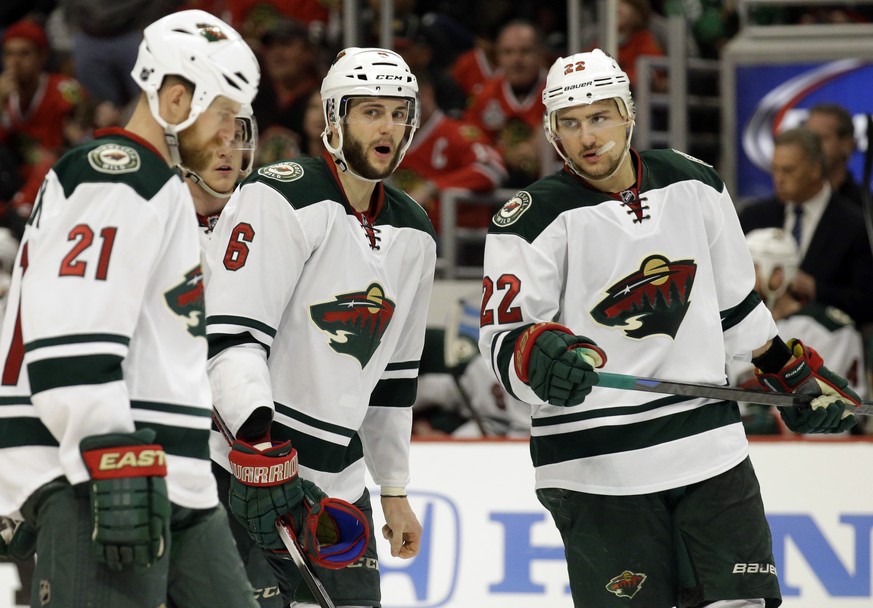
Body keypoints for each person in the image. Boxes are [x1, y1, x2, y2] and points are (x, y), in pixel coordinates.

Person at [478, 48, 861, 608]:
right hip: (597, 469)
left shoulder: (697, 184)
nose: (588, 136)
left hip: (709, 449)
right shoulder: (532, 217)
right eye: (572, 122)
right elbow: (504, 343)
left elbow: (738, 311)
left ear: (628, 114)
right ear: (552, 130)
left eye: (601, 116)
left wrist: (796, 378)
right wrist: (536, 356)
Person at [0, 9, 264, 607]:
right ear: (176, 98)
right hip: (107, 475)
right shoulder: (117, 177)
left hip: (175, 478)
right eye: (224, 115)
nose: (231, 134)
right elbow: (69, 339)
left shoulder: (157, 185)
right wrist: (109, 456)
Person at [204, 46, 436, 607]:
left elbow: (393, 380)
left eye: (399, 112)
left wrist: (395, 490)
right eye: (371, 110)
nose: (388, 125)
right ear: (335, 119)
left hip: (339, 483)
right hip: (247, 474)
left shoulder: (415, 230)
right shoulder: (281, 194)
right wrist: (260, 447)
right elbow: (231, 339)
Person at [729, 227, 868, 434]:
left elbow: (843, 414)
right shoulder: (730, 325)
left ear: (777, 275)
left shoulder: (830, 330)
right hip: (741, 446)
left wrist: (774, 426)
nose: (738, 280)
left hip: (809, 456)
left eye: (751, 269)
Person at [738, 127, 873, 326]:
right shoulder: (754, 217)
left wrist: (814, 288)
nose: (779, 179)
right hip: (759, 339)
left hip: (830, 343)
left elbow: (866, 301)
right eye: (775, 169)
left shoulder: (854, 225)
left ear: (815, 169)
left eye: (788, 170)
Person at [391, 72, 506, 235]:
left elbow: (493, 169)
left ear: (426, 93)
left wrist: (433, 187)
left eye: (405, 97)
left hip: (456, 241)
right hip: (404, 237)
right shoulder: (385, 138)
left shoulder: (458, 133)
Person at [0, 17, 86, 217]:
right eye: (10, 54)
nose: (15, 62)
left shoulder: (63, 88)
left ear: (42, 57)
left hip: (55, 178)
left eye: (24, 53)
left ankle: (19, 213)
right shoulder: (2, 91)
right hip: (13, 177)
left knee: (52, 158)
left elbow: (82, 131)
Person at [463, 19, 548, 187]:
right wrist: (503, 154)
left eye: (525, 51)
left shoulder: (560, 91)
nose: (517, 60)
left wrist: (548, 147)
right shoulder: (483, 96)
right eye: (508, 52)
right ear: (498, 57)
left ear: (540, 54)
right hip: (497, 187)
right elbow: (470, 142)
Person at [803, 102, 865, 207]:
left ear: (847, 145)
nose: (811, 146)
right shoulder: (788, 202)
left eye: (821, 138)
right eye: (807, 138)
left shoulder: (865, 208)